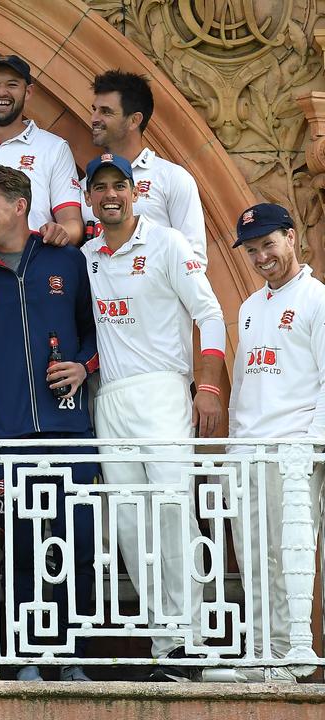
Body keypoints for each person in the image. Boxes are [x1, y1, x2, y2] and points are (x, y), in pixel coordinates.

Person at [0, 164, 98, 682]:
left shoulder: (66, 259)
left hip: (72, 433)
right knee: (19, 550)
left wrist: (83, 366)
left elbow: (96, 333)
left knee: (77, 544)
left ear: (19, 206)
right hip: (8, 437)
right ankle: (28, 657)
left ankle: (73, 653)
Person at [82, 153, 225, 681]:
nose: (111, 196)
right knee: (127, 521)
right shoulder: (88, 255)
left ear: (135, 192)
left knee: (171, 510)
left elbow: (209, 314)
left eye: (119, 185)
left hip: (164, 391)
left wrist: (206, 388)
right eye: (100, 189)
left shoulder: (166, 243)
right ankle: (166, 645)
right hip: (111, 397)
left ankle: (194, 636)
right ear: (89, 198)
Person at [226, 202, 325, 684]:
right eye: (251, 249)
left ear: (291, 237)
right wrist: (232, 448)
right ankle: (262, 652)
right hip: (249, 452)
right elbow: (243, 384)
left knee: (291, 556)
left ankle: (291, 655)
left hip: (292, 451)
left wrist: (310, 449)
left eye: (268, 243)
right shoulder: (248, 308)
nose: (261, 255)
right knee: (253, 556)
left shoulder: (316, 300)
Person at [0, 56, 83, 245]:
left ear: (28, 92)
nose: (1, 92)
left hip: (34, 264)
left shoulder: (54, 148)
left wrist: (59, 233)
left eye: (12, 85)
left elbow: (72, 222)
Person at [86, 70, 206, 264]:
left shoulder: (172, 178)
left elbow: (194, 259)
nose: (94, 118)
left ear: (134, 120)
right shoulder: (87, 184)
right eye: (94, 109)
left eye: (106, 111)